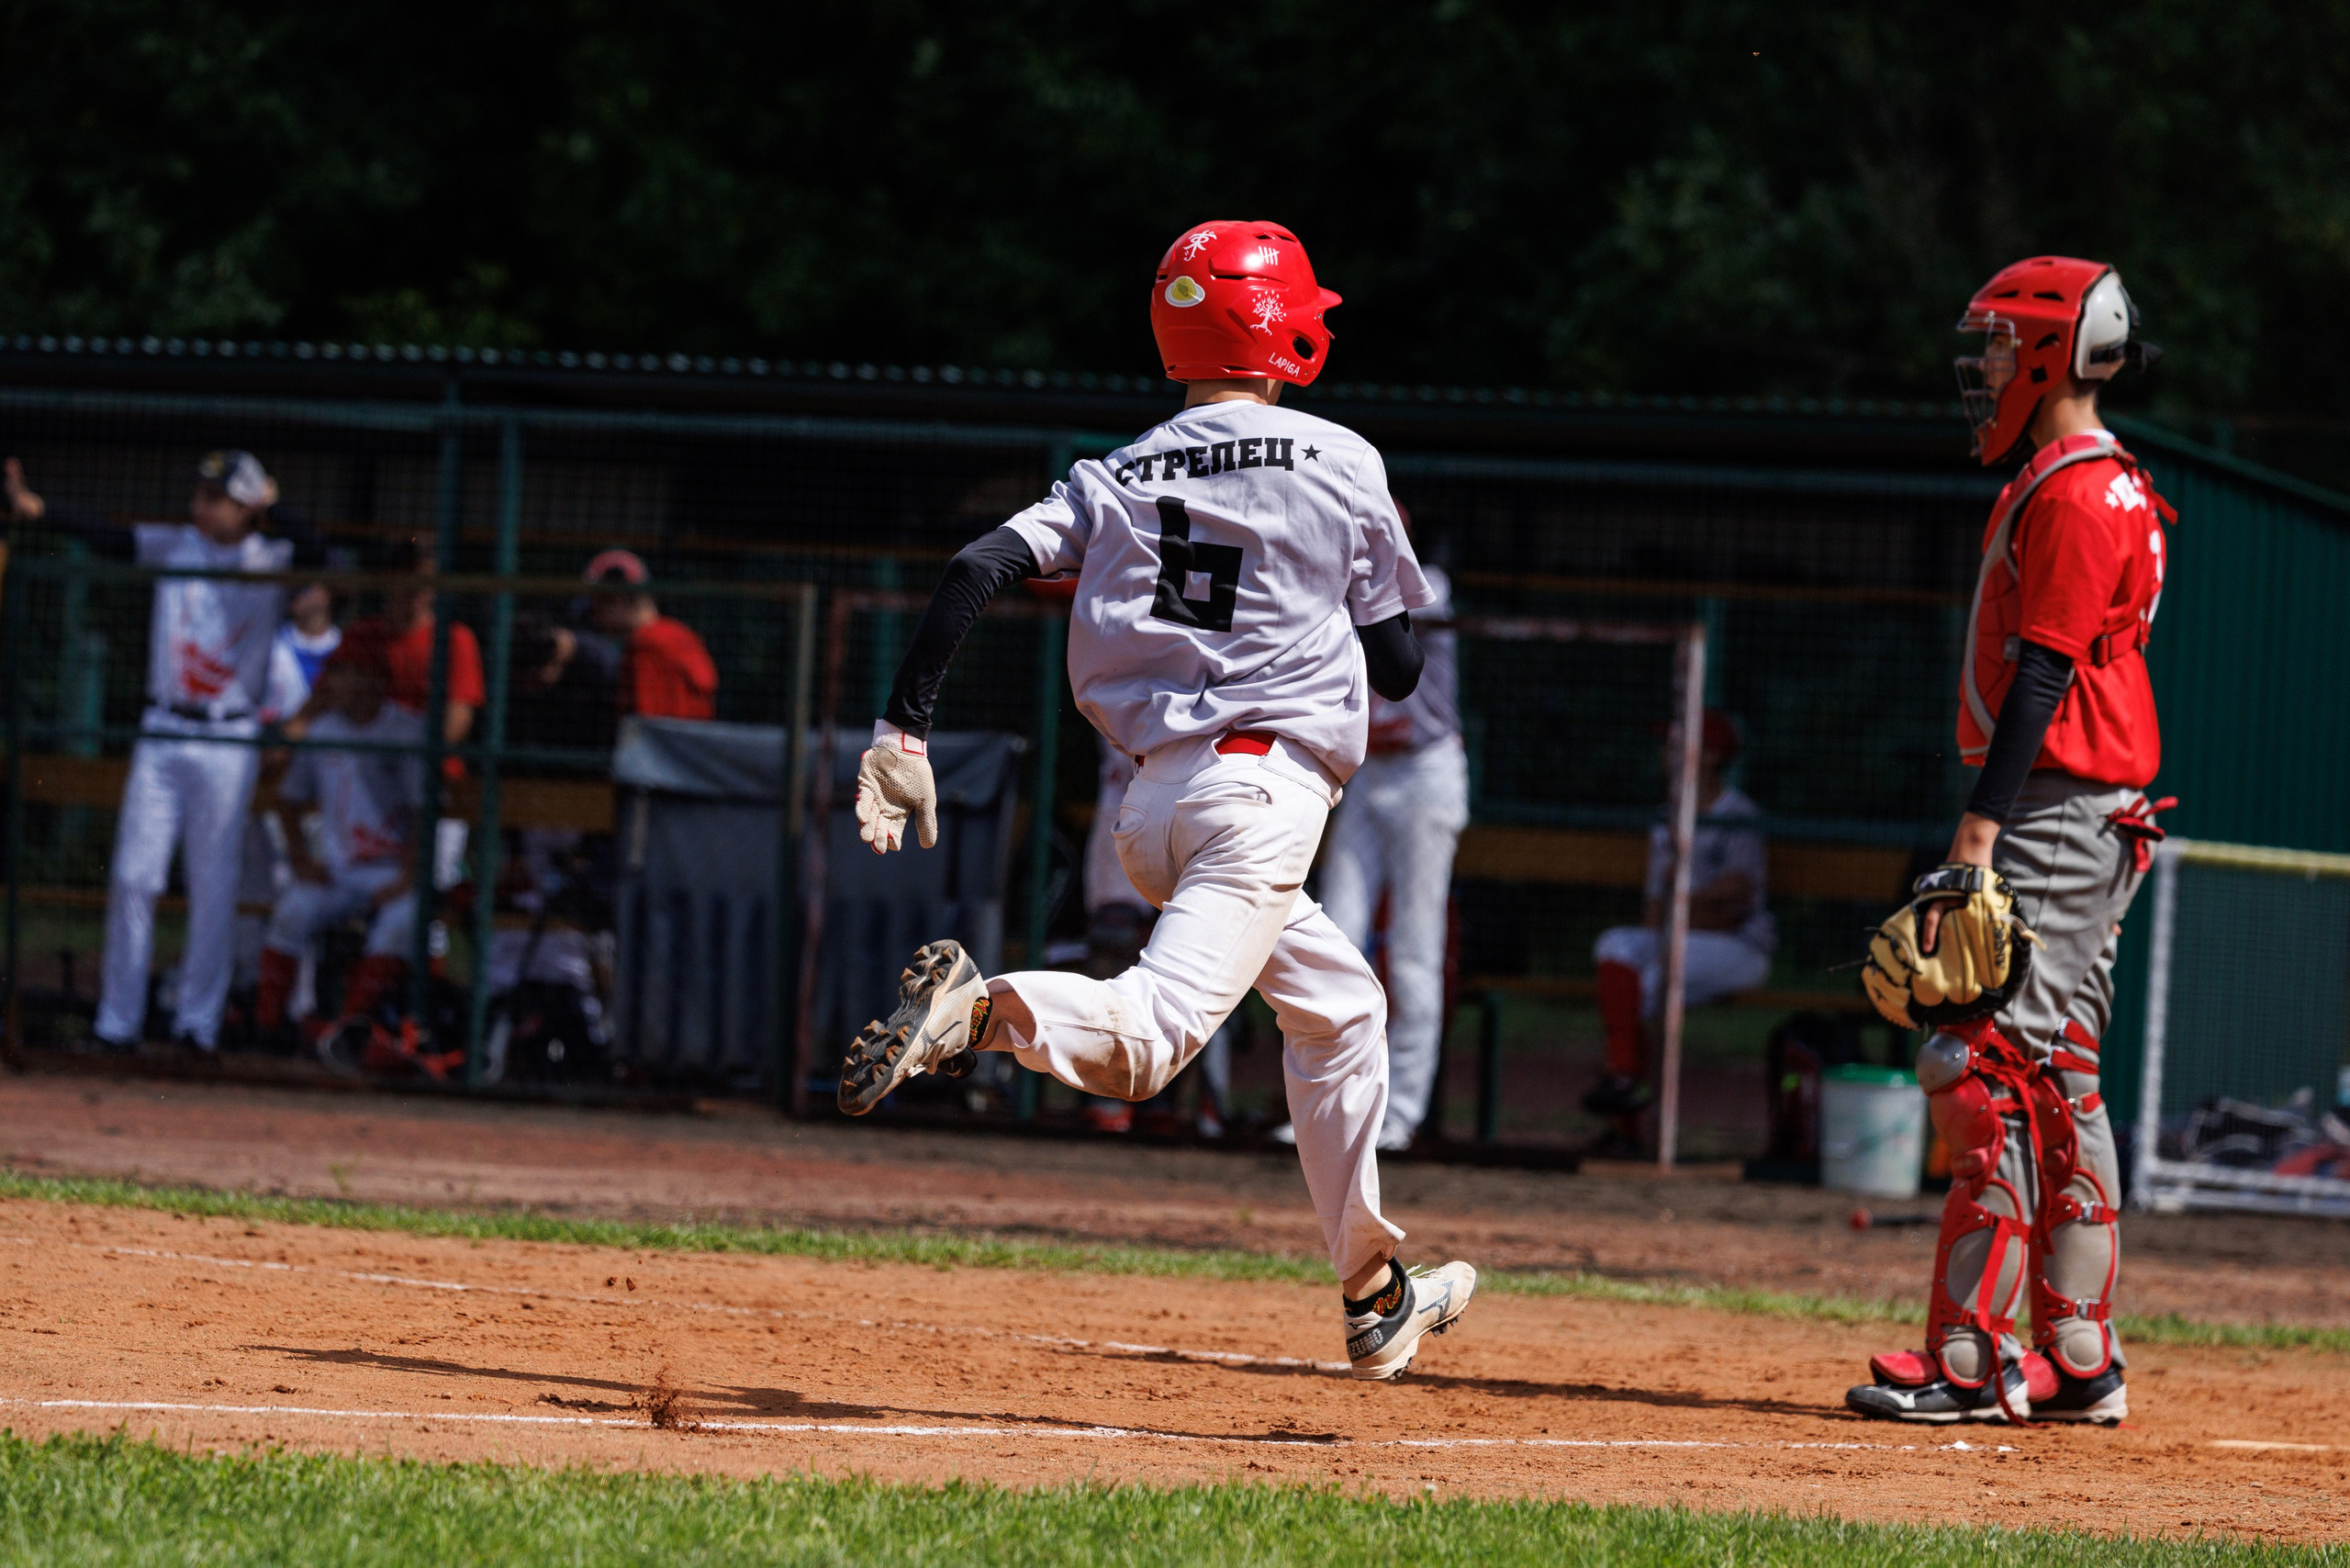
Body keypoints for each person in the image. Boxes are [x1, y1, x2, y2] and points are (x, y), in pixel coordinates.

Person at [838, 219, 1478, 1381]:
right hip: (1259, 796)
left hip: (1153, 809)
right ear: (1279, 326)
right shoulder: (1338, 457)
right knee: (1148, 1044)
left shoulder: (1114, 470)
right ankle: (977, 1014)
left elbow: (975, 567)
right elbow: (1398, 672)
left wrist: (901, 730)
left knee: (1342, 1014)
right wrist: (1307, 614)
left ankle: (1374, 1293)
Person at [1846, 257, 2171, 1427]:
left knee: (1972, 1060)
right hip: (2091, 807)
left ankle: (1970, 1361)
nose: (1982, 371)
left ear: (2044, 356)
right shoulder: (2098, 476)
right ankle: (2077, 1355)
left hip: (2055, 807)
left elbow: (2044, 667)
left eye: (1995, 348)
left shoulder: (2076, 488)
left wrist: (1977, 828)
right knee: (2061, 1072)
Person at [4, 449, 323, 1053]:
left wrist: (273, 505)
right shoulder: (180, 545)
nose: (199, 505)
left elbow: (317, 555)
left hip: (228, 735)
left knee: (214, 885)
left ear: (246, 505)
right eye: (199, 494)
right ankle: (116, 1024)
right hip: (163, 728)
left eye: (215, 496)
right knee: (132, 877)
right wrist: (37, 509)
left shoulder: (271, 557)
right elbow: (110, 538)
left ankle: (196, 1028)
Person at [1281, 504, 1464, 1152]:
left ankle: (1403, 1114)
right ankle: (1329, 1110)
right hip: (1364, 775)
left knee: (1414, 952)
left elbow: (1385, 611)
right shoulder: (1336, 585)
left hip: (1425, 773)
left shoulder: (1428, 582)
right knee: (1334, 939)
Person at [1582, 711, 1774, 1154]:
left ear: (1708, 757)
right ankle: (1625, 1081)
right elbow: (1655, 908)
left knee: (1647, 985)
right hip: (1683, 938)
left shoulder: (1738, 814)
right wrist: (1694, 902)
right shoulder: (1666, 817)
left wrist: (1682, 901)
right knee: (1613, 945)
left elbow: (1736, 907)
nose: (1666, 753)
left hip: (1738, 950)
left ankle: (1629, 1115)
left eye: (1677, 744)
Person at [254, 624, 425, 1045]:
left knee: (401, 922)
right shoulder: (324, 730)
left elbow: (426, 812)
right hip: (338, 869)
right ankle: (268, 1028)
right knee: (292, 911)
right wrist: (300, 858)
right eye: (336, 672)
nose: (334, 683)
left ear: (375, 679)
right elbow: (288, 798)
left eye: (348, 672)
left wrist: (408, 875)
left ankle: (346, 1033)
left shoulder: (404, 730)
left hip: (391, 871)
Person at [584, 549, 718, 720]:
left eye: (599, 602)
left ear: (620, 597)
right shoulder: (681, 634)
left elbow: (645, 724)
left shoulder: (644, 645)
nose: (596, 616)